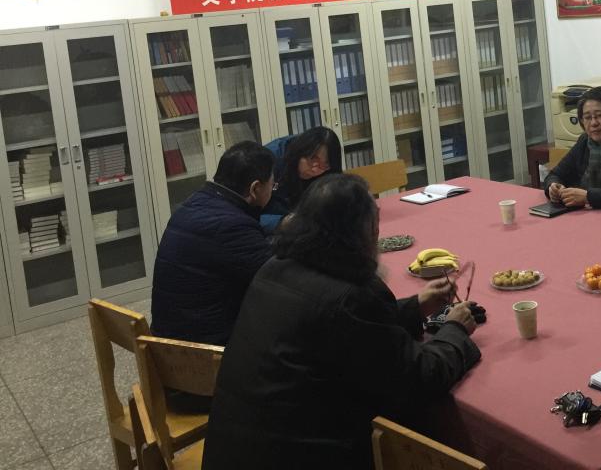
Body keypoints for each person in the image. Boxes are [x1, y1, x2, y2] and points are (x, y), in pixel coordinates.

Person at [202, 173, 481, 469]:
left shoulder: (274, 268)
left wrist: (415, 308)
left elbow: (342, 329)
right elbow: (418, 379)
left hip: (234, 452)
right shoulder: (352, 296)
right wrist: (455, 330)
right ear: (368, 231)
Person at [151, 141, 275, 346]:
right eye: (272, 185)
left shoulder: (194, 202)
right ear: (255, 188)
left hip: (165, 338)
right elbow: (276, 278)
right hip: (201, 349)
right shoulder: (234, 226)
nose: (273, 190)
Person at [260, 126, 342, 232]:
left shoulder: (329, 172)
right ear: (300, 151)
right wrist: (282, 222)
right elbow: (247, 213)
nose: (315, 170)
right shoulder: (269, 160)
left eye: (325, 165)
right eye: (312, 160)